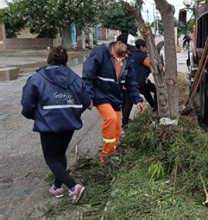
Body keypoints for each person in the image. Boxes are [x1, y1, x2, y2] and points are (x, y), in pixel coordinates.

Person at [21, 47, 89, 204]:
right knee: (60, 155)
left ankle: (74, 187)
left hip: (48, 124)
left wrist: (35, 116)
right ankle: (57, 187)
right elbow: (85, 100)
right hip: (69, 123)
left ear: (48, 60)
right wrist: (73, 113)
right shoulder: (75, 78)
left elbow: (27, 104)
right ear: (66, 61)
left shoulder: (37, 78)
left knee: (51, 159)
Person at [82, 33, 145, 164]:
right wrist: (89, 96)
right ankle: (105, 156)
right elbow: (88, 75)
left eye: (130, 50)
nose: (128, 53)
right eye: (127, 49)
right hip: (100, 94)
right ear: (119, 43)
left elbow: (131, 82)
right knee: (111, 118)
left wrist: (137, 99)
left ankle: (113, 151)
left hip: (115, 96)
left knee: (117, 125)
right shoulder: (100, 53)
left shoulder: (127, 60)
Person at [122, 39, 157, 129]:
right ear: (141, 47)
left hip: (129, 83)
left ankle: (125, 123)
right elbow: (152, 67)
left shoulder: (130, 56)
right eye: (145, 47)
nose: (146, 49)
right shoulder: (143, 56)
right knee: (155, 89)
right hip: (140, 82)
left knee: (128, 103)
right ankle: (155, 107)